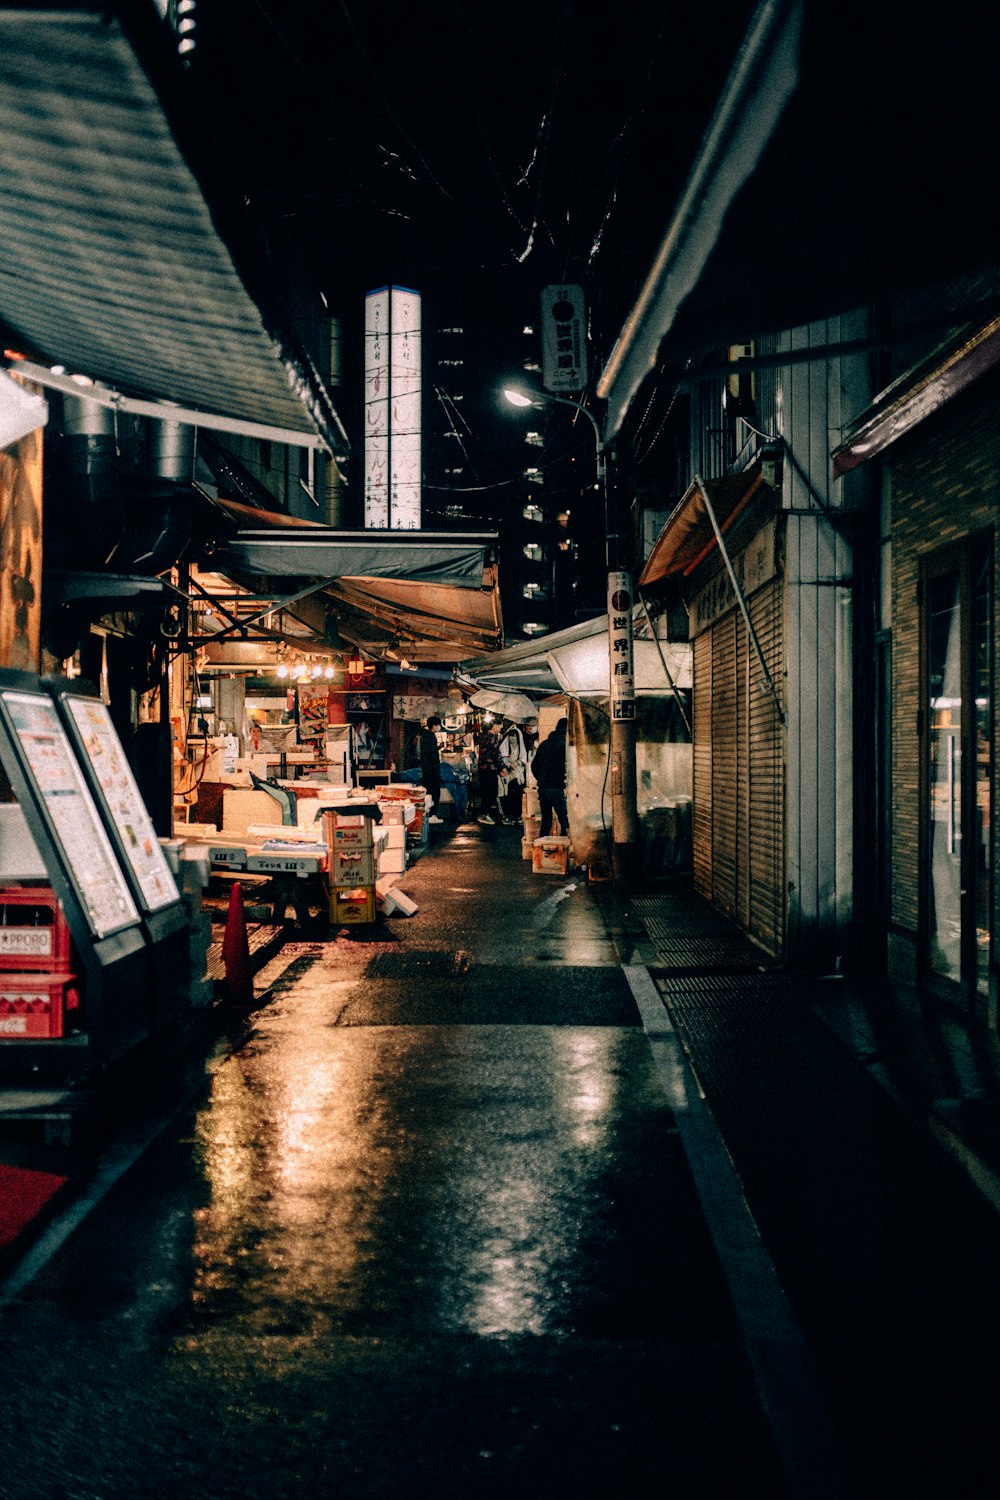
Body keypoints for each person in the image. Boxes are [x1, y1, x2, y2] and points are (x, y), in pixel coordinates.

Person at [531, 717, 569, 836]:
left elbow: (533, 765)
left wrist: (541, 779)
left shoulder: (544, 744)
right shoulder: (564, 746)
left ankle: (542, 849)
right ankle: (563, 849)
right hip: (556, 788)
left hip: (543, 788)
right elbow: (566, 768)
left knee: (546, 821)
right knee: (564, 820)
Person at [411, 715, 444, 824]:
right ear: (434, 726)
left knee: (428, 792)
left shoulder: (424, 736)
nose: (439, 727)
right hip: (432, 771)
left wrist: (438, 747)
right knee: (434, 793)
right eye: (438, 725)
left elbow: (429, 752)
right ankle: (432, 815)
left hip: (426, 770)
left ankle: (428, 815)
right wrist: (437, 771)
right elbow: (433, 756)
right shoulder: (431, 736)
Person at [497, 719, 529, 824]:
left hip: (518, 774)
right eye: (511, 736)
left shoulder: (521, 747)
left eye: (514, 736)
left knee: (518, 795)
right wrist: (509, 764)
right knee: (507, 795)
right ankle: (509, 815)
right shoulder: (506, 746)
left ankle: (517, 815)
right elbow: (502, 757)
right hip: (508, 774)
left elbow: (523, 758)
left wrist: (518, 763)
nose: (512, 738)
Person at [475, 721, 504, 825]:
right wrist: (502, 767)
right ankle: (484, 814)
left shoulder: (482, 736)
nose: (501, 728)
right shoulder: (492, 737)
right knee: (492, 792)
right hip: (489, 768)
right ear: (494, 726)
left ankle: (484, 814)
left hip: (482, 768)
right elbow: (496, 754)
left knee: (486, 791)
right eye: (500, 726)